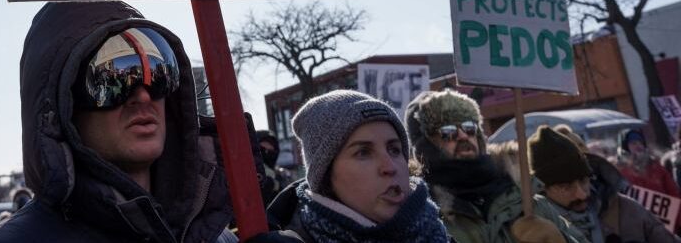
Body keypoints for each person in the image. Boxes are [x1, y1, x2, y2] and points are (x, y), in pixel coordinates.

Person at [0, 0, 236, 243]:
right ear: (61, 108)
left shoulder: (218, 238)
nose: (143, 96)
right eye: (113, 81)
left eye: (158, 74)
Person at [264, 90, 450, 243]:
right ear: (325, 175)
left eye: (394, 149)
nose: (390, 167)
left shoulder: (437, 233)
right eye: (363, 152)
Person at [405, 89, 579, 243]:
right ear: (426, 146)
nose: (463, 136)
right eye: (448, 132)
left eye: (469, 128)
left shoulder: (524, 196)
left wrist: (558, 238)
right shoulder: (420, 215)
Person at [529, 125, 677, 243]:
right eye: (566, 187)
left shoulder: (624, 208)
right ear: (542, 189)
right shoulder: (530, 232)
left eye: (583, 181)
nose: (581, 193)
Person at [617, 129, 681, 200]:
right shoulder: (620, 172)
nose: (638, 146)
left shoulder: (656, 166)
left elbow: (673, 192)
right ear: (625, 147)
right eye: (633, 143)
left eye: (641, 142)